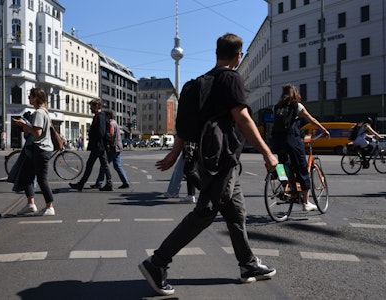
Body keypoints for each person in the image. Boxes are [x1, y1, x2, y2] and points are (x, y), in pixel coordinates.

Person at [138, 33, 278, 296]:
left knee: (236, 214)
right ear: (238, 56)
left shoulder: (197, 84)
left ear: (217, 53)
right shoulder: (231, 78)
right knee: (205, 212)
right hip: (222, 160)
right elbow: (243, 118)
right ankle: (156, 263)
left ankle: (248, 265)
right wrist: (267, 152)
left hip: (213, 159)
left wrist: (173, 154)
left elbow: (184, 126)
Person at [270, 83, 329, 212]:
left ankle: (286, 187)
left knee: (282, 165)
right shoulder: (297, 106)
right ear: (295, 93)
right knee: (302, 169)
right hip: (292, 140)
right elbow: (311, 120)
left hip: (277, 141)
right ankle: (306, 202)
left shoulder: (276, 107)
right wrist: (323, 130)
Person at [12, 88, 56, 216]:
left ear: (36, 98)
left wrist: (23, 125)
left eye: (30, 96)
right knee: (26, 176)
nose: (29, 98)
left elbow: (37, 133)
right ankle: (30, 204)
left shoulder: (39, 113)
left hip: (41, 149)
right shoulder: (44, 112)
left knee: (42, 179)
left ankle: (49, 206)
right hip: (40, 148)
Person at [69, 98, 113, 191]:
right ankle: (109, 183)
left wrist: (94, 140)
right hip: (100, 146)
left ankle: (81, 184)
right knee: (104, 165)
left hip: (98, 146)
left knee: (90, 165)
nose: (90, 108)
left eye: (91, 106)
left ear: (97, 106)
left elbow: (101, 132)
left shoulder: (100, 116)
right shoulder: (101, 116)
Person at [92, 109, 130, 189]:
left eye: (105, 115)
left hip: (113, 147)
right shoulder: (115, 122)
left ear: (108, 116)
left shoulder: (111, 123)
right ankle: (125, 182)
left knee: (104, 165)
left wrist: (104, 136)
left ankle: (99, 182)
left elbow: (111, 134)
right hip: (118, 147)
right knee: (117, 166)